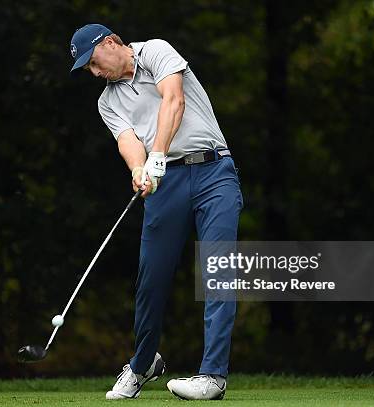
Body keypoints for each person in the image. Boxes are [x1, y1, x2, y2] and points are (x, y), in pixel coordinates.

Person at [69, 23, 243, 400]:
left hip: (214, 171)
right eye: (88, 70)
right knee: (151, 280)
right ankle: (143, 363)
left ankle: (212, 376)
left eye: (94, 63)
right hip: (166, 185)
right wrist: (138, 169)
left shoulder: (156, 52)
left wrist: (158, 153)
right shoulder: (107, 102)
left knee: (218, 271)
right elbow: (128, 141)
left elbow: (173, 100)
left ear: (111, 42)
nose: (95, 74)